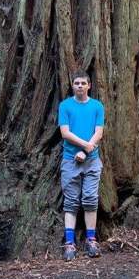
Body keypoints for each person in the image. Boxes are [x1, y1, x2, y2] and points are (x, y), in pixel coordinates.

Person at [58, 70, 104, 260]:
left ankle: (91, 240)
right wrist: (84, 145)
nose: (79, 86)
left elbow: (99, 132)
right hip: (70, 161)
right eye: (76, 83)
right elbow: (65, 132)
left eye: (83, 83)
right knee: (70, 202)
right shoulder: (65, 106)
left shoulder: (97, 106)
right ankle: (70, 243)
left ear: (89, 86)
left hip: (92, 160)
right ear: (72, 85)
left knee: (90, 199)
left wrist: (85, 151)